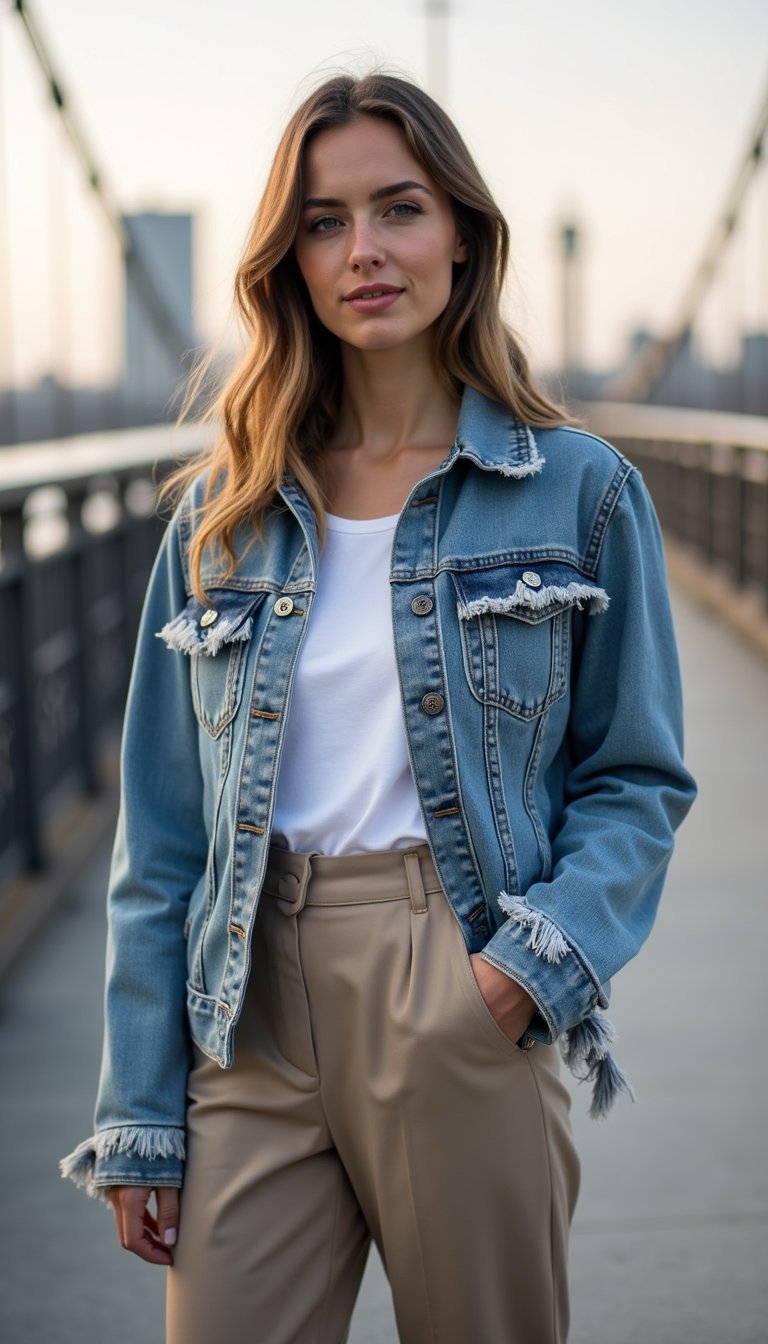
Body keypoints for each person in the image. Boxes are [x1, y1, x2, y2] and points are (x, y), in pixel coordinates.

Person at [61, 72, 696, 1343]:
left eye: (398, 209)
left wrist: (516, 979)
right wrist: (140, 1099)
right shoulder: (219, 519)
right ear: (287, 259)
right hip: (246, 1004)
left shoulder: (580, 492)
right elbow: (163, 837)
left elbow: (636, 779)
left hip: (453, 972)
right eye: (323, 221)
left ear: (462, 230)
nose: (365, 252)